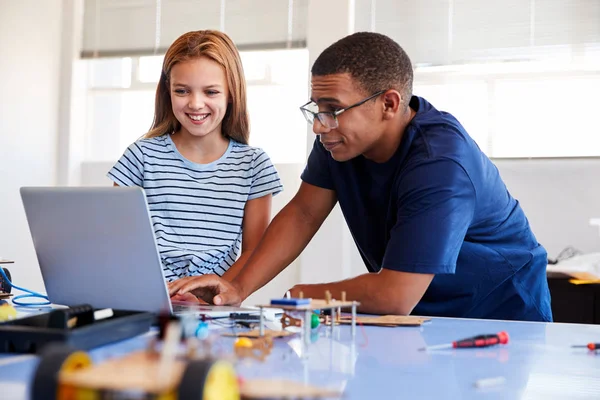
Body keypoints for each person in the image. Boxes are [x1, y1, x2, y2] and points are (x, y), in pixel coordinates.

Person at [168, 32, 552, 321]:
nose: (320, 125)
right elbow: (303, 213)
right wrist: (236, 288)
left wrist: (305, 292)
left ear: (389, 103)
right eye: (317, 108)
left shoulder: (441, 165)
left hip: (500, 313)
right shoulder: (340, 140)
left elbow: (394, 294)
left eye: (333, 108)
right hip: (417, 316)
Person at [108, 30, 282, 301]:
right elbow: (118, 242)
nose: (195, 104)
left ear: (231, 94)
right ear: (168, 92)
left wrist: (213, 294)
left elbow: (254, 253)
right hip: (146, 300)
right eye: (182, 91)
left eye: (211, 91)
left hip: (213, 307)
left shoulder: (253, 165)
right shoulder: (141, 156)